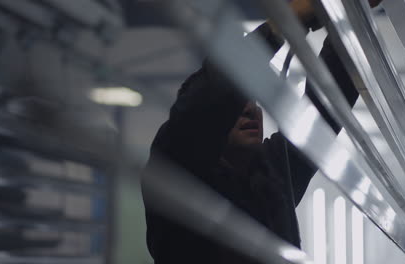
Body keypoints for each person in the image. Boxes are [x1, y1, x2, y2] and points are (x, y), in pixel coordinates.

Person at [142, 0, 382, 263]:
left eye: (253, 100)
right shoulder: (178, 169)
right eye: (237, 103)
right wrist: (284, 25)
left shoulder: (273, 175)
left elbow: (325, 109)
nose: (249, 110)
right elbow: (208, 100)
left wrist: (350, 23)